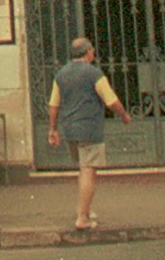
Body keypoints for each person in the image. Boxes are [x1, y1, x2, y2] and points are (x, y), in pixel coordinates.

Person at [47, 36, 132, 232]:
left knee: (82, 169)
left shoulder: (61, 74)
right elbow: (110, 100)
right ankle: (82, 217)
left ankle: (83, 210)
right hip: (89, 129)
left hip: (70, 130)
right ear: (88, 52)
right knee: (88, 171)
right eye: (92, 50)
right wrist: (124, 115)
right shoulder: (94, 74)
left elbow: (53, 104)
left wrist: (53, 129)